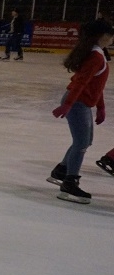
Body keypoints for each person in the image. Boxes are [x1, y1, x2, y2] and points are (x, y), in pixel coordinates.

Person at [48, 19, 114, 204]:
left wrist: (101, 107)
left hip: (81, 102)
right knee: (81, 143)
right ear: (103, 36)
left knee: (85, 141)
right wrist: (68, 104)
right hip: (77, 103)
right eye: (111, 35)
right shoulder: (96, 56)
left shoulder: (97, 53)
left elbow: (96, 85)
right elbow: (81, 82)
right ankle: (69, 184)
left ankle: (61, 171)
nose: (112, 39)